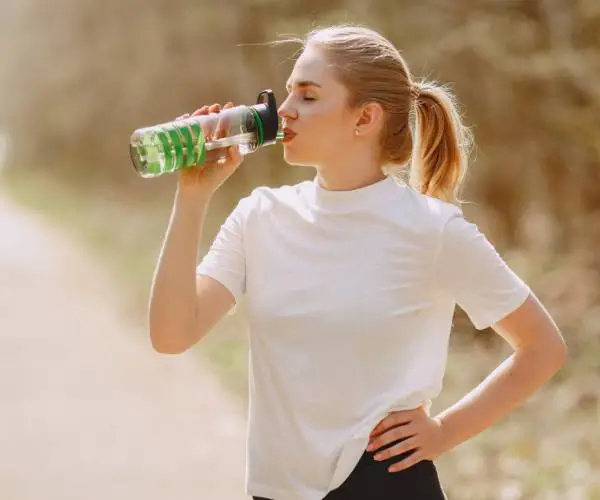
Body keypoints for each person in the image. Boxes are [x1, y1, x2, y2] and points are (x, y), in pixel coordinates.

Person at [148, 25, 567, 500]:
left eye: (307, 96)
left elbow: (541, 348)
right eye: (288, 93)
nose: (283, 111)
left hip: (384, 486)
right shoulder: (259, 217)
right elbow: (171, 334)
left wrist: (444, 432)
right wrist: (193, 196)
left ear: (364, 118)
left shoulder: (432, 231)